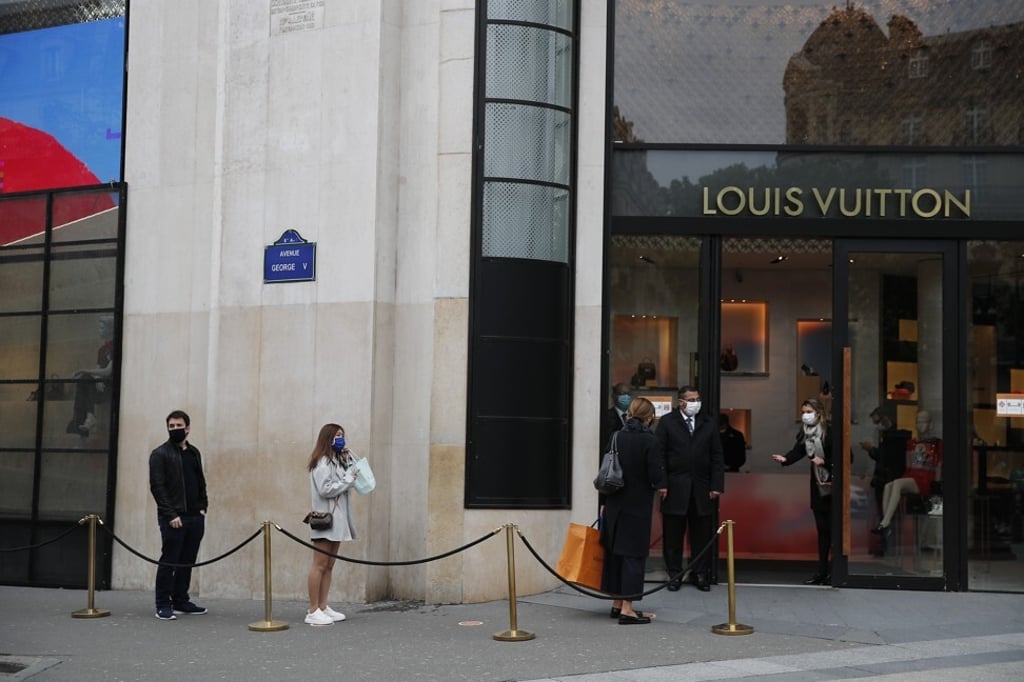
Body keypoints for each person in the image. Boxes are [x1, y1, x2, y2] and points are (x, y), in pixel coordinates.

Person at [600, 397, 668, 625]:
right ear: (650, 417)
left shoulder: (616, 436)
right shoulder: (650, 440)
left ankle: (617, 603)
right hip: (637, 504)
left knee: (615, 553)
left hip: (614, 502)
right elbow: (655, 476)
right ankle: (628, 610)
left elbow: (606, 469)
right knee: (633, 555)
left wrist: (603, 501)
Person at [656, 385, 725, 592]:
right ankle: (674, 574)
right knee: (673, 535)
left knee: (701, 534)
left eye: (697, 399)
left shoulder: (708, 423)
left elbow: (717, 456)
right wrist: (661, 483)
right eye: (691, 399)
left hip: (702, 489)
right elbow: (659, 454)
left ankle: (700, 574)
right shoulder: (668, 422)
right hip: (674, 487)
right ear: (681, 402)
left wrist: (716, 485)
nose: (695, 403)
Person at [148, 410, 208, 620]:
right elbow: (157, 487)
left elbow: (200, 481)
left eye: (178, 425)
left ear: (188, 428)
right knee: (169, 560)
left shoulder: (194, 453)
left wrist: (203, 507)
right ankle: (163, 604)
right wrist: (170, 514)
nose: (175, 429)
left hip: (195, 516)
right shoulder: (160, 454)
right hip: (173, 518)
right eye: (171, 426)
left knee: (187, 560)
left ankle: (181, 600)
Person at [771, 398, 833, 585]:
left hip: (832, 485)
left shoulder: (830, 432)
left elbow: (847, 457)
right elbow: (798, 451)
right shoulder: (806, 433)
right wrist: (785, 459)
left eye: (808, 411)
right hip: (817, 485)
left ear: (819, 413)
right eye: (803, 411)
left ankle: (836, 572)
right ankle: (822, 571)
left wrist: (826, 462)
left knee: (833, 530)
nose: (805, 415)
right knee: (822, 530)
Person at [305, 423, 358, 626]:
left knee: (329, 565)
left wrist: (347, 456)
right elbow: (325, 489)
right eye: (337, 436)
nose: (341, 439)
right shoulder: (322, 462)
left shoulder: (336, 460)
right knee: (319, 565)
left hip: (338, 520)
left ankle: (323, 605)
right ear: (328, 438)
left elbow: (354, 472)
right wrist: (347, 480)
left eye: (342, 435)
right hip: (325, 519)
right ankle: (312, 609)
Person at [871, 410, 942, 553]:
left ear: (930, 424)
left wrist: (937, 484)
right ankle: (886, 524)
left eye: (923, 421)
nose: (920, 425)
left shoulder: (937, 443)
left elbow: (939, 464)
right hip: (913, 476)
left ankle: (885, 523)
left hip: (926, 478)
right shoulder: (912, 443)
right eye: (918, 421)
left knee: (897, 483)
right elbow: (910, 465)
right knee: (888, 485)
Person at [65, 315, 115, 437]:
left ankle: (81, 419)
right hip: (99, 386)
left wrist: (86, 371)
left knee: (85, 378)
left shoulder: (116, 346)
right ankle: (87, 417)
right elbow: (98, 370)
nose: (99, 330)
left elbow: (108, 371)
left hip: (110, 388)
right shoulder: (102, 349)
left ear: (110, 329)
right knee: (84, 380)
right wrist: (96, 379)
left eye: (102, 327)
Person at [602, 382, 632, 450]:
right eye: (622, 393)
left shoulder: (635, 416)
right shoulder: (607, 416)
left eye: (628, 394)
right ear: (614, 396)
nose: (626, 397)